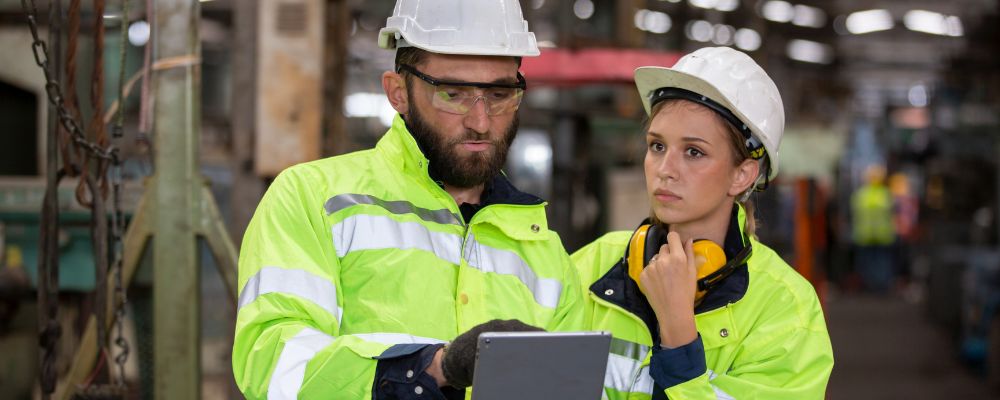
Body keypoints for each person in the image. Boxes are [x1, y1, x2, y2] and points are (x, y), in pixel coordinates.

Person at [232, 1, 583, 398]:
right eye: (452, 94)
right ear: (398, 93)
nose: (480, 121)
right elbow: (274, 363)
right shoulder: (315, 199)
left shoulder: (542, 249)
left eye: (499, 94)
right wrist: (429, 371)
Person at [571, 47, 834, 399]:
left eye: (694, 152)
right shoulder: (592, 266)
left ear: (742, 175)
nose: (665, 169)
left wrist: (679, 335)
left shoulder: (785, 309)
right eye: (657, 146)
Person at [851, 164, 897, 294]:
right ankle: (880, 288)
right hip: (882, 237)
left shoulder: (860, 194)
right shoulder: (886, 194)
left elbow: (854, 214)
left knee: (867, 264)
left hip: (865, 237)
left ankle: (870, 287)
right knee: (882, 264)